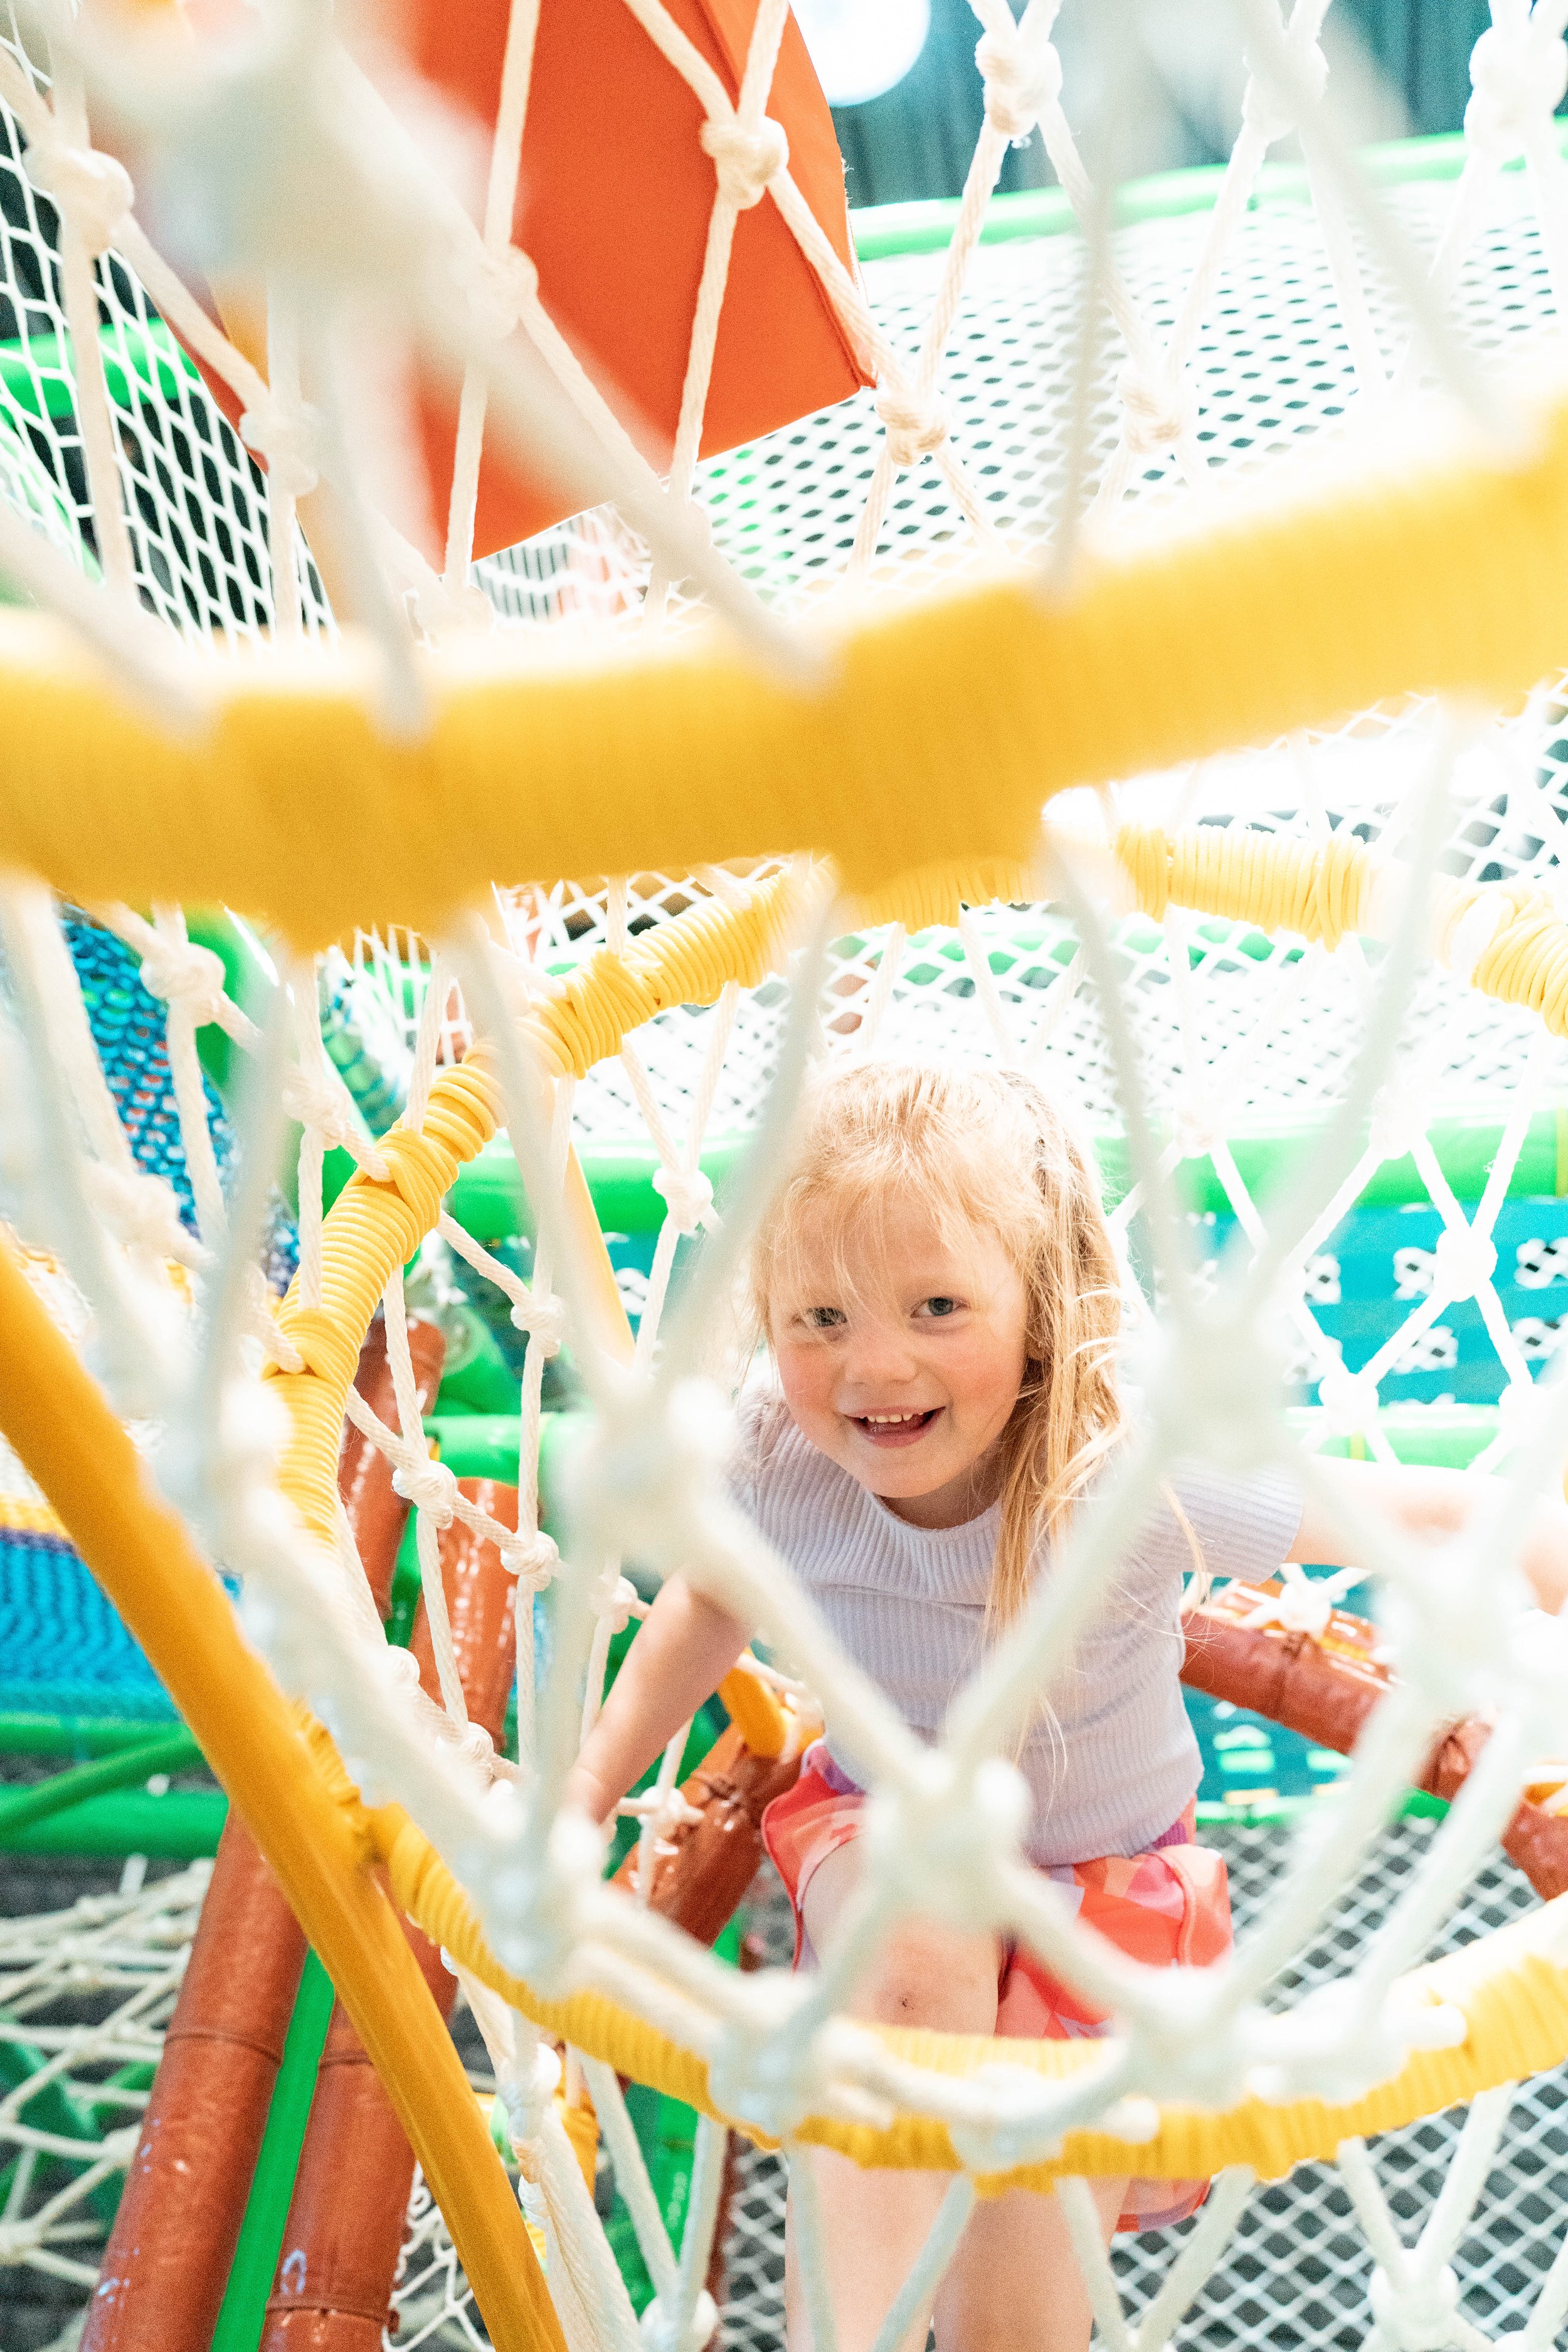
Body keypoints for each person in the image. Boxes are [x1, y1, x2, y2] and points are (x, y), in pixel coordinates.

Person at [563, 1061, 1568, 2352]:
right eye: (816, 1317)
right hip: (885, 1838)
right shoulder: (774, 1446)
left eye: (935, 1307)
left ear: (1039, 1315)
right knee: (915, 1932)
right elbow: (707, 1601)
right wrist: (583, 1794)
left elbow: (1406, 1513)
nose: (870, 1366)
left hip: (1107, 1900)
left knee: (1015, 2327)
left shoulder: (1123, 1463)